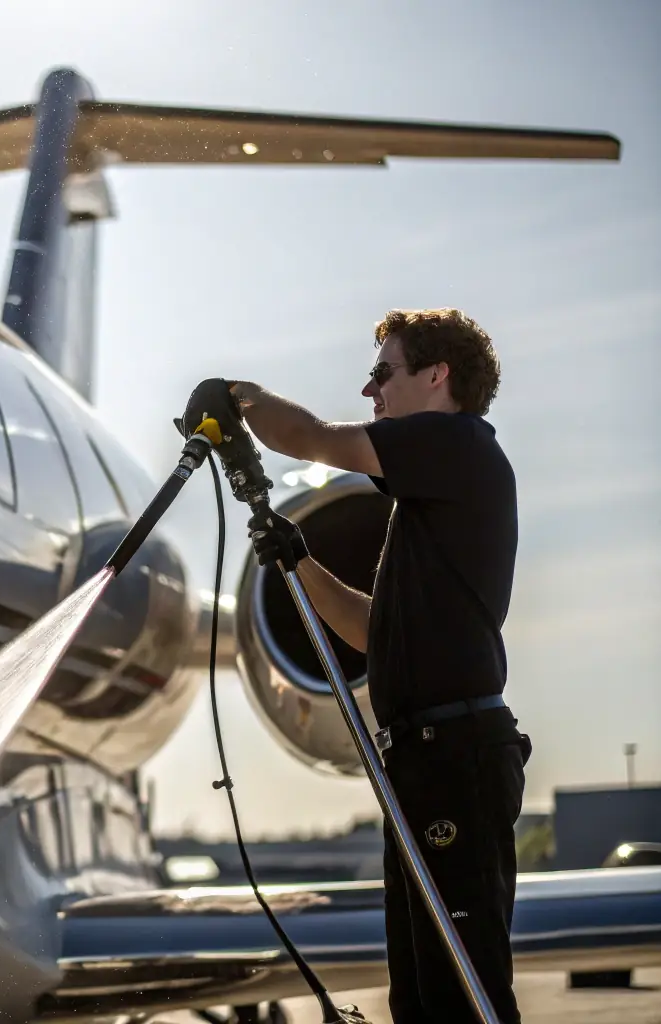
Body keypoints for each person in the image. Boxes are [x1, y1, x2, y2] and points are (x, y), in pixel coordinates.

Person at [183, 308, 531, 1024]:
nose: (370, 390)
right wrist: (300, 562)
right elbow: (378, 636)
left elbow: (312, 438)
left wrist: (239, 397)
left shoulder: (457, 443)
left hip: (454, 757)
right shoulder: (430, 495)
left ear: (437, 376)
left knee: (463, 996)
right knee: (421, 999)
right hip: (422, 762)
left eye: (383, 372)